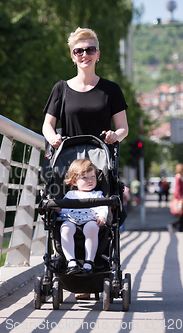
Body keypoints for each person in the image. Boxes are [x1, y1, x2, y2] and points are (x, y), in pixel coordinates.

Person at [42, 27, 129, 300]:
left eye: (90, 49)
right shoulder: (61, 89)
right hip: (69, 163)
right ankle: (72, 265)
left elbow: (124, 127)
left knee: (103, 211)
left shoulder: (110, 90)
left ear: (98, 54)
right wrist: (53, 138)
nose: (85, 55)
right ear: (72, 55)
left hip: (100, 163)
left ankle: (95, 266)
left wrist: (116, 135)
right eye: (79, 50)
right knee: (60, 209)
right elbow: (47, 124)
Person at [59, 158, 108, 277]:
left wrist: (102, 216)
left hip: (90, 220)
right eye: (84, 177)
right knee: (65, 228)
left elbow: (103, 207)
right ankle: (71, 261)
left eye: (93, 177)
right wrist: (58, 209)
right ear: (74, 181)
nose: (90, 180)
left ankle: (89, 261)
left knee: (92, 228)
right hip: (71, 220)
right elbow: (64, 210)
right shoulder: (70, 195)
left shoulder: (97, 194)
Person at [168, 164, 183, 232]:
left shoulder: (181, 177)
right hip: (180, 199)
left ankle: (180, 229)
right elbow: (178, 189)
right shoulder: (178, 177)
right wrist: (180, 198)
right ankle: (173, 225)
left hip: (182, 198)